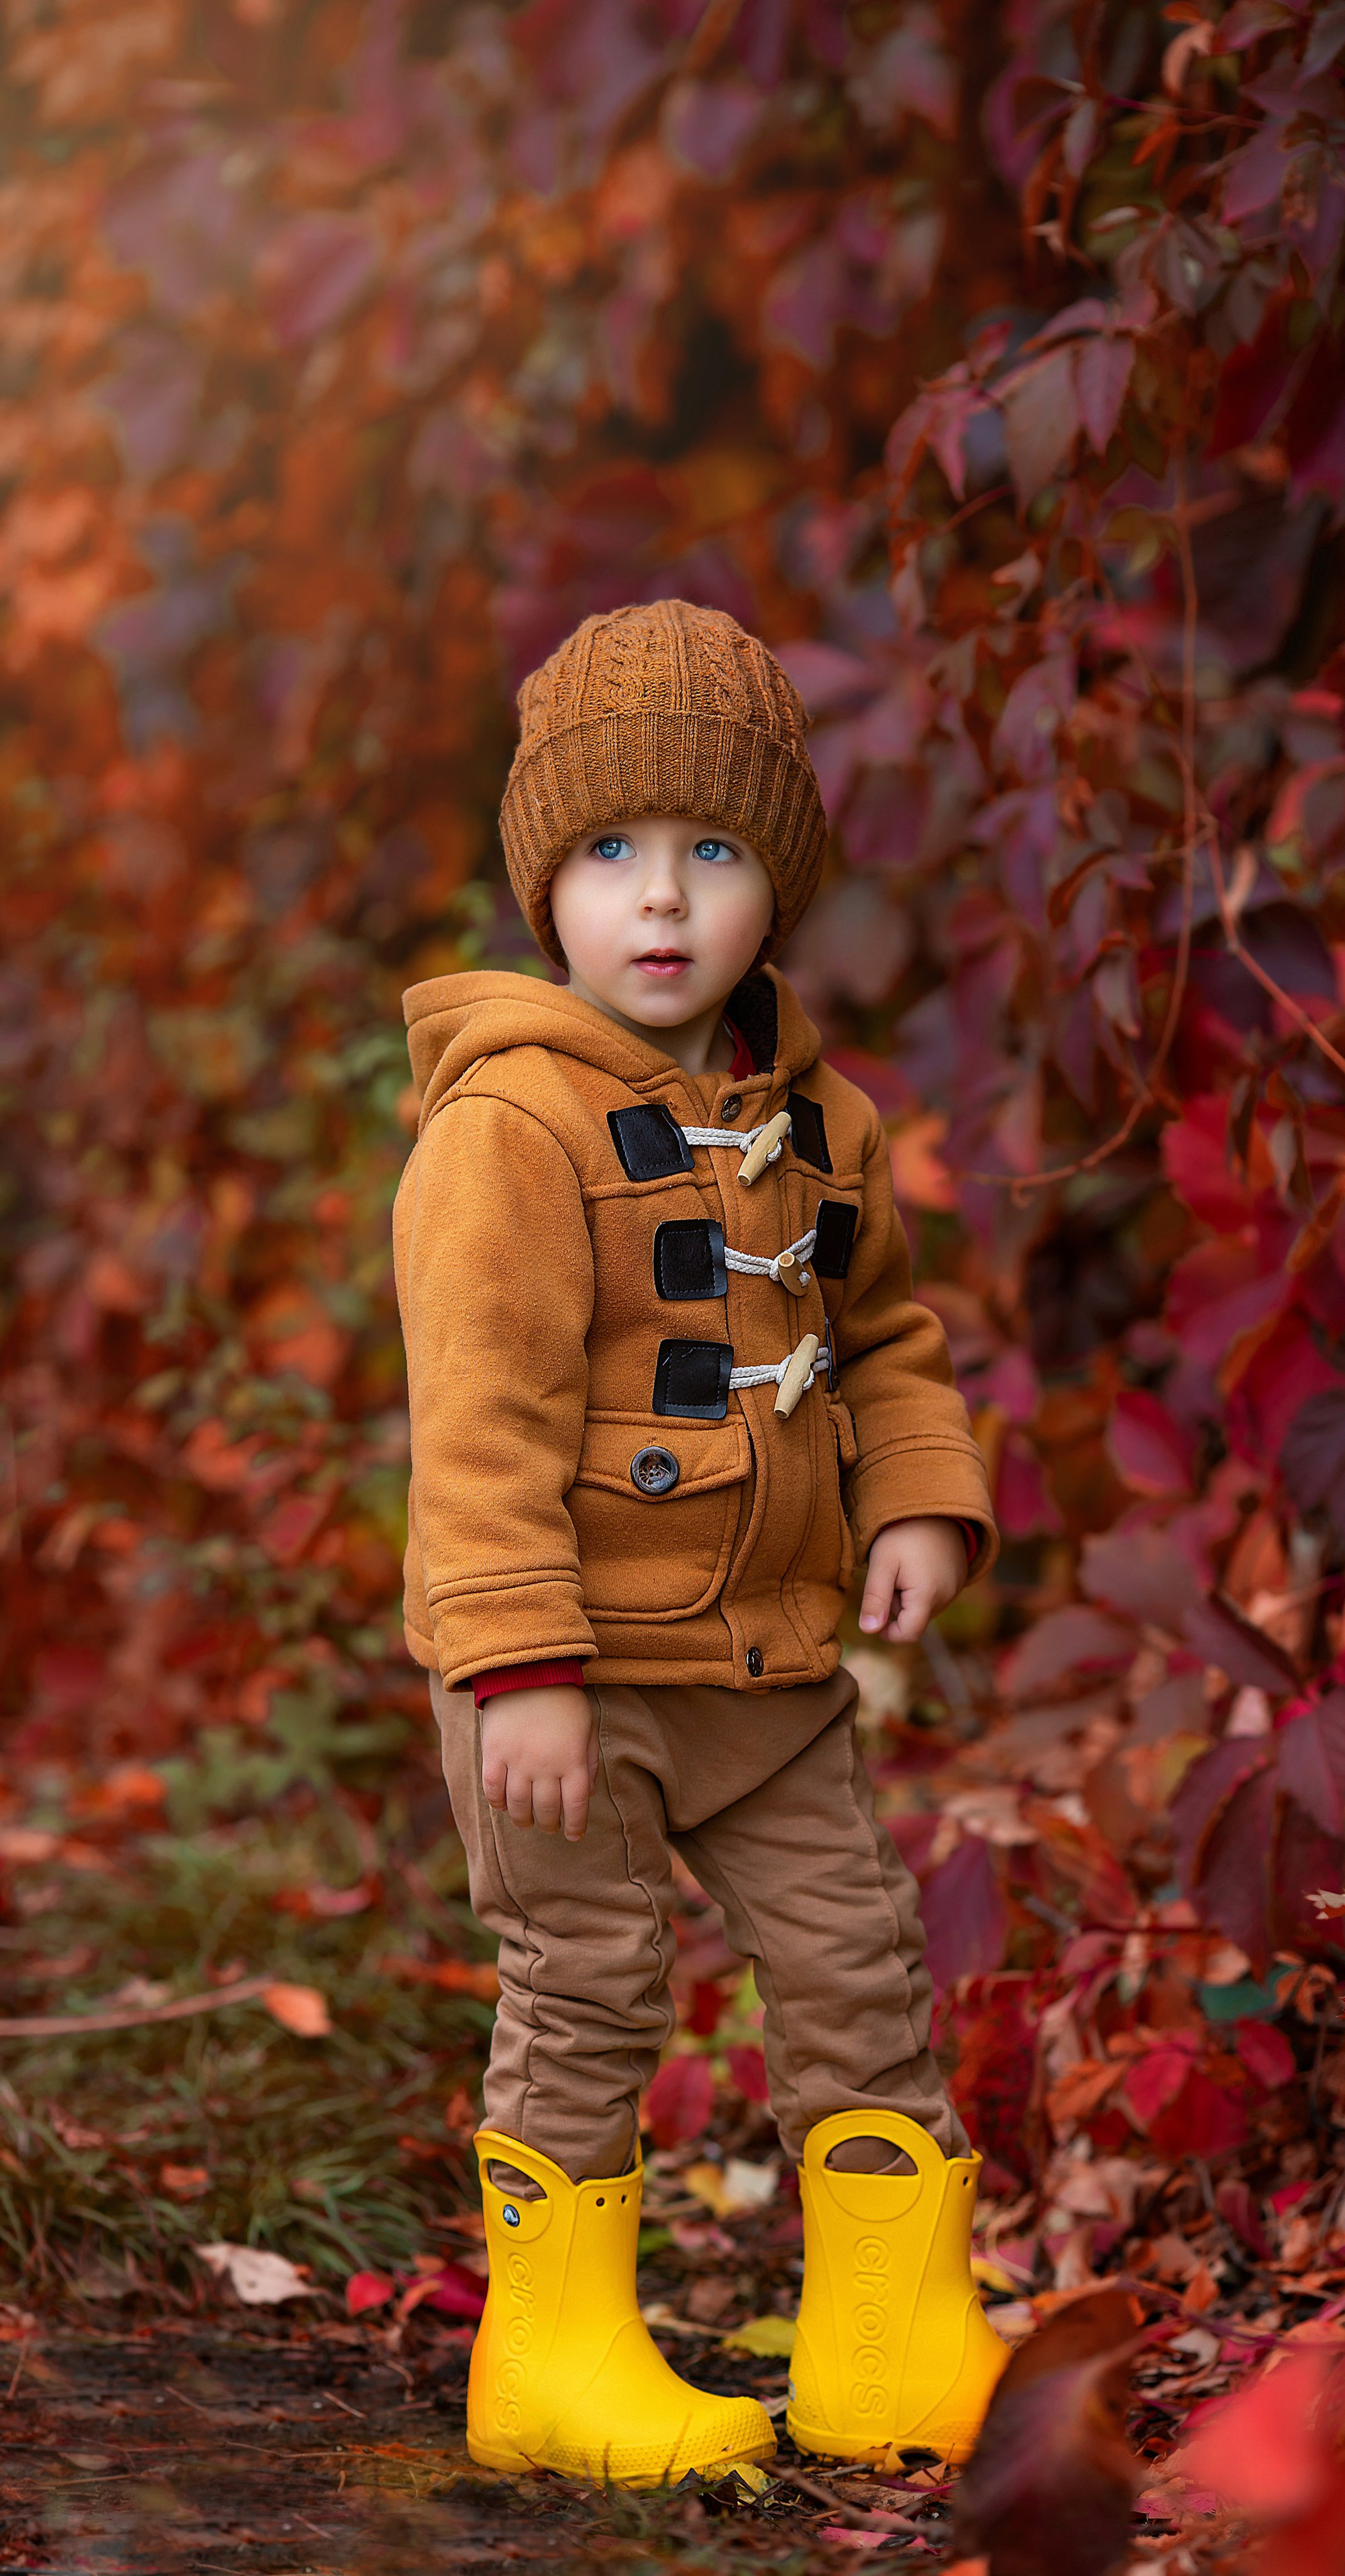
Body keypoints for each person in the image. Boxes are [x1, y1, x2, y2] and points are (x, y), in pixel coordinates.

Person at [393, 598, 1008, 2487]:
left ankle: (890, 2342)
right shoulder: (510, 1125)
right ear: (546, 886)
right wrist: (518, 1665)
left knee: (856, 1963)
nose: (660, 899)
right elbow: (479, 1419)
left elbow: (882, 1333)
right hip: (570, 1679)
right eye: (611, 851)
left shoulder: (818, 1121)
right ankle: (553, 2357)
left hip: (768, 1662)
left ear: (778, 881)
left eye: (714, 850)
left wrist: (918, 1489)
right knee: (585, 1988)